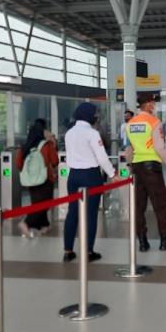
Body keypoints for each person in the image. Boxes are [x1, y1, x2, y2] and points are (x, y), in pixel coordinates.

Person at [125, 93, 166, 252]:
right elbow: (159, 147)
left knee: (139, 206)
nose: (155, 106)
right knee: (160, 204)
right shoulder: (154, 122)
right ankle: (165, 240)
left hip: (137, 167)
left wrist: (131, 165)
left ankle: (143, 242)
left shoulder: (131, 123)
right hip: (152, 167)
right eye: (153, 103)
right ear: (148, 104)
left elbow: (129, 149)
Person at [62, 102, 115, 263]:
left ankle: (68, 251)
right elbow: (102, 157)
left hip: (73, 177)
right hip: (91, 176)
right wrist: (112, 174)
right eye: (95, 115)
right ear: (89, 116)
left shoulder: (69, 133)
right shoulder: (92, 133)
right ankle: (88, 251)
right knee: (91, 215)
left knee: (73, 213)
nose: (96, 117)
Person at [15, 121, 59, 237]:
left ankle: (44, 225)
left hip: (31, 181)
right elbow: (55, 162)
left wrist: (30, 172)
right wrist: (54, 145)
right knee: (44, 202)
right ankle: (26, 223)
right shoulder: (46, 145)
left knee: (38, 202)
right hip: (45, 179)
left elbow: (18, 164)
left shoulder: (24, 147)